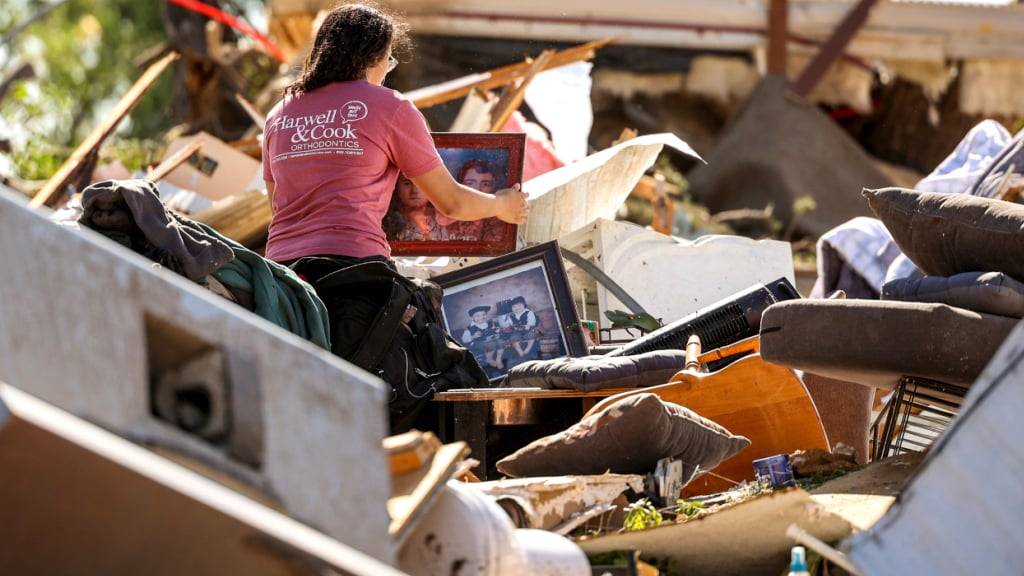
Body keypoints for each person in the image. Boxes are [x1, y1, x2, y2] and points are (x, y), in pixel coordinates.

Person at [262, 3, 527, 268]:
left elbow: (278, 206)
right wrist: (502, 204)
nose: (387, 71)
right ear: (375, 58)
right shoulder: (390, 106)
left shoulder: (279, 113)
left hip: (280, 275)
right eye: (389, 60)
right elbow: (452, 203)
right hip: (351, 272)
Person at [460, 305, 505, 375]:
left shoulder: (489, 323)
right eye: (477, 316)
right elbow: (464, 340)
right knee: (490, 344)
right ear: (472, 318)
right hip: (476, 343)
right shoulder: (470, 328)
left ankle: (498, 359)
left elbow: (494, 331)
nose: (481, 317)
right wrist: (473, 337)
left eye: (484, 315)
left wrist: (496, 331)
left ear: (486, 315)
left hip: (490, 340)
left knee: (501, 341)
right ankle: (489, 359)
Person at [502, 295, 541, 365]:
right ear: (511, 308)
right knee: (513, 338)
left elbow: (532, 322)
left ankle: (527, 350)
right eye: (514, 307)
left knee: (532, 336)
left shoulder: (529, 313)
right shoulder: (511, 316)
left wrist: (528, 325)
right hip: (517, 332)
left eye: (519, 305)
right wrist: (506, 325)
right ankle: (519, 351)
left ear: (524, 305)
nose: (517, 308)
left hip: (528, 330)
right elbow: (508, 324)